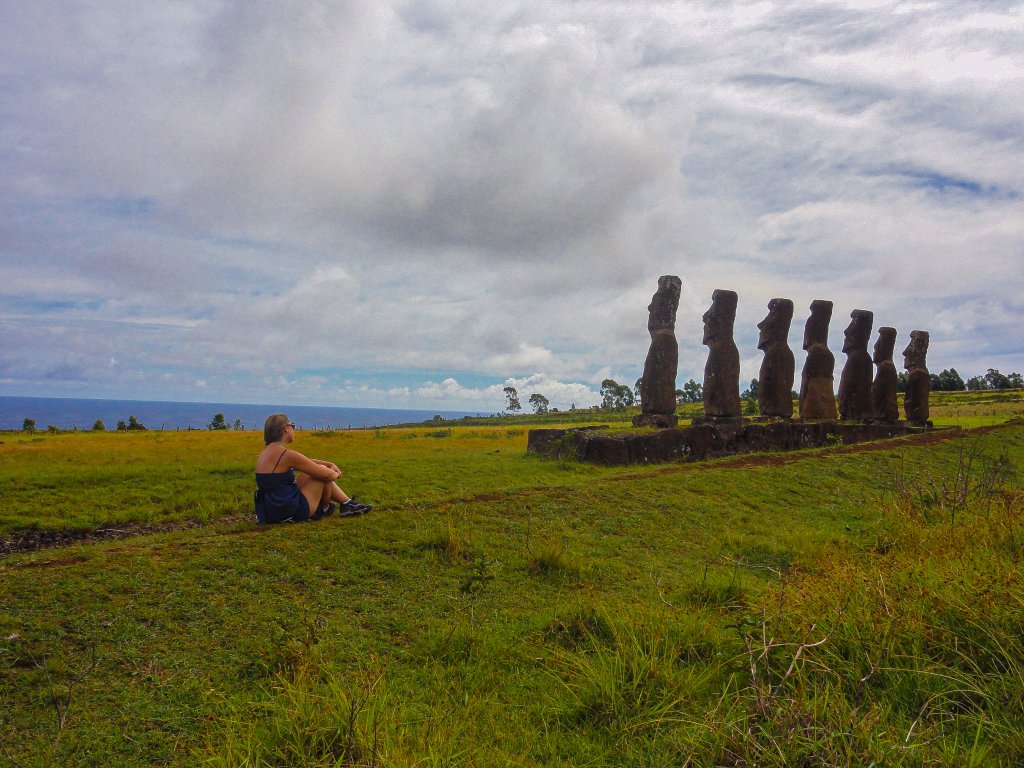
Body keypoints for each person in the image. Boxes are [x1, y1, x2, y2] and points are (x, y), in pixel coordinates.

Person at [254, 413, 372, 523]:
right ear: (285, 429)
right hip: (289, 511)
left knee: (315, 470)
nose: (293, 429)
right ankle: (328, 507)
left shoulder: (266, 452)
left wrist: (329, 464)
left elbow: (306, 463)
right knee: (321, 473)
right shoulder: (285, 454)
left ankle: (346, 504)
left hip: (270, 510)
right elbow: (326, 475)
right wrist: (335, 473)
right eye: (292, 426)